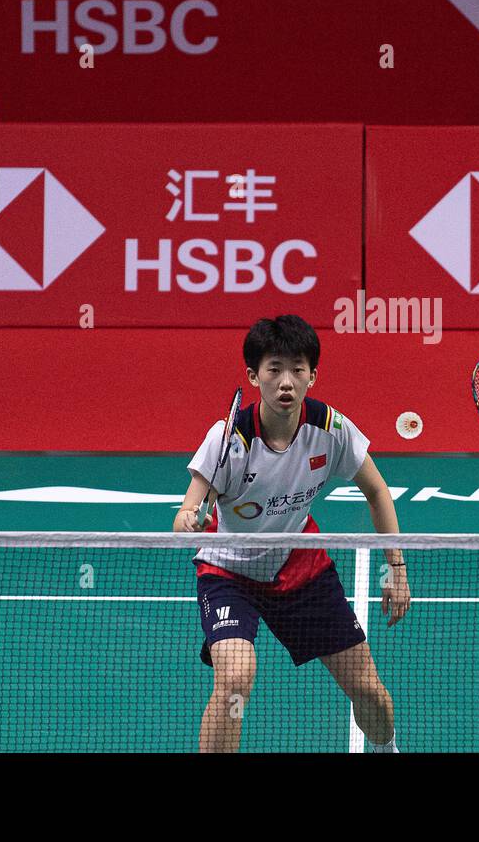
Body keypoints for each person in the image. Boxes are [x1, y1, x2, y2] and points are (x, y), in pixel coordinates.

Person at [174, 315, 410, 752]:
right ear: (253, 376)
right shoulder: (228, 439)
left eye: (298, 370)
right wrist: (190, 520)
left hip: (299, 565)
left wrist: (396, 566)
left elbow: (377, 491)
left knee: (369, 692)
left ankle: (385, 749)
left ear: (312, 376)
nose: (287, 382)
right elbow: (186, 513)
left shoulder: (330, 429)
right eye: (274, 369)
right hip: (228, 572)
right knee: (233, 681)